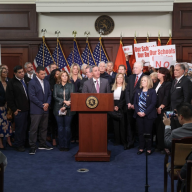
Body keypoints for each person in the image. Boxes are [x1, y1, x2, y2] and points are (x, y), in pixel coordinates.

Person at [28, 66, 52, 155]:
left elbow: (50, 94)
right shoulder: (32, 82)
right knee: (34, 129)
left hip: (45, 109)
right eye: (41, 74)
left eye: (44, 73)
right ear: (37, 73)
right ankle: (32, 146)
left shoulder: (46, 82)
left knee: (44, 128)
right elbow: (32, 97)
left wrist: (47, 104)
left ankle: (42, 144)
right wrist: (42, 105)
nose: (43, 75)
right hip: (36, 110)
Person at [6, 65, 31, 152]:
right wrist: (14, 109)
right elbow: (9, 98)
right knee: (19, 128)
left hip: (29, 109)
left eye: (22, 72)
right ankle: (18, 144)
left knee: (27, 127)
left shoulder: (27, 80)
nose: (22, 74)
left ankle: (25, 142)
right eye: (19, 72)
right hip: (19, 110)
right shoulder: (11, 82)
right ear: (15, 73)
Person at [134, 75, 157, 155]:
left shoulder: (152, 91)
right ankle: (141, 147)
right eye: (142, 80)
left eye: (144, 80)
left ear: (148, 82)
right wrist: (138, 112)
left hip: (148, 115)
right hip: (139, 115)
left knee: (148, 132)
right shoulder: (138, 91)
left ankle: (149, 149)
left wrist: (145, 112)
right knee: (140, 132)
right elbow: (135, 103)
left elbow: (153, 103)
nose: (142, 81)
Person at [125, 61, 145, 149]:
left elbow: (144, 93)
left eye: (136, 68)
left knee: (140, 127)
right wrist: (129, 102)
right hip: (129, 106)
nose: (134, 69)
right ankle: (131, 142)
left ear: (141, 68)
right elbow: (127, 91)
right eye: (134, 68)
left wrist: (135, 105)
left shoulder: (145, 77)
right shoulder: (131, 77)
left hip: (139, 107)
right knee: (130, 125)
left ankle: (142, 144)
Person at [53, 71, 75, 151]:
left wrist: (65, 107)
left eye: (66, 76)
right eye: (63, 76)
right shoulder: (56, 86)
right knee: (60, 128)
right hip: (58, 109)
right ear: (60, 77)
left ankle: (67, 145)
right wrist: (64, 101)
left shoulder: (71, 85)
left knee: (67, 128)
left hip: (69, 109)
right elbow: (55, 97)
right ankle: (61, 145)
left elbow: (72, 97)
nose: (65, 77)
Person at [154, 67, 172, 153]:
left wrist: (161, 107)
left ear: (164, 74)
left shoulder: (168, 84)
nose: (157, 74)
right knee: (157, 127)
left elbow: (167, 96)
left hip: (164, 109)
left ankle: (165, 146)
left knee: (163, 127)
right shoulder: (157, 83)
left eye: (159, 72)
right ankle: (159, 145)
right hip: (156, 108)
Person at [170, 63, 192, 130]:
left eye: (177, 70)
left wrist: (181, 110)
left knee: (180, 131)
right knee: (173, 129)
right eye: (174, 70)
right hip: (172, 110)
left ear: (183, 71)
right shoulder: (174, 81)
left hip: (180, 111)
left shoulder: (186, 81)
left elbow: (187, 97)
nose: (175, 72)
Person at [111, 73, 127, 149]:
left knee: (123, 125)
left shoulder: (125, 87)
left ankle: (123, 141)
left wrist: (118, 106)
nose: (119, 79)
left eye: (121, 77)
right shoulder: (112, 87)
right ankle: (117, 141)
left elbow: (125, 99)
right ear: (116, 79)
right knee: (115, 125)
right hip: (113, 106)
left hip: (122, 107)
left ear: (123, 79)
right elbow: (110, 97)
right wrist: (114, 106)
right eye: (118, 77)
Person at [47, 68, 61, 146]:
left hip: (61, 105)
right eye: (57, 74)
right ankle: (53, 139)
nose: (59, 75)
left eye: (59, 74)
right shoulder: (50, 84)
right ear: (54, 75)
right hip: (53, 105)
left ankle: (59, 137)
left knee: (59, 123)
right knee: (52, 123)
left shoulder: (62, 83)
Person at [69, 63, 82, 142]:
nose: (75, 70)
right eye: (74, 68)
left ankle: (77, 137)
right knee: (71, 120)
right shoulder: (68, 79)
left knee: (78, 120)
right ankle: (72, 137)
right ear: (71, 70)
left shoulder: (81, 79)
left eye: (77, 69)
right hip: (70, 102)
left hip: (79, 102)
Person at [0, 67, 12, 149]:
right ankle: (0, 143)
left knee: (8, 123)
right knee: (0, 125)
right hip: (0, 106)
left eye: (6, 72)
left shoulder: (8, 82)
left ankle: (9, 140)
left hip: (8, 107)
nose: (6, 73)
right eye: (4, 72)